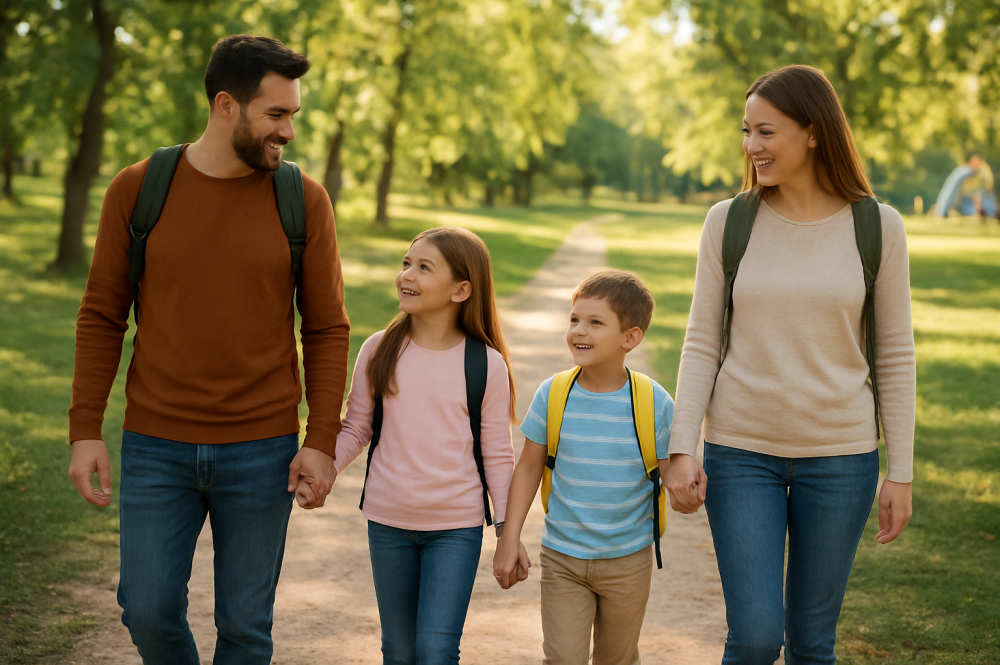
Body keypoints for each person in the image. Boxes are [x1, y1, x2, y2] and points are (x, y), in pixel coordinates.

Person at [66, 35, 350, 664]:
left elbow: (327, 328)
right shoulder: (139, 190)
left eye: (293, 115)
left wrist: (321, 439)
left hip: (262, 450)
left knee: (246, 629)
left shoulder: (303, 201)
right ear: (227, 105)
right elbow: (102, 317)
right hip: (155, 448)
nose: (289, 131)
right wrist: (85, 428)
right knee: (146, 610)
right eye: (276, 115)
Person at [666, 64, 916, 664]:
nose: (752, 147)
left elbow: (895, 355)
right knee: (752, 638)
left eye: (766, 132)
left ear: (812, 132)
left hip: (841, 458)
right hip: (741, 452)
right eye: (747, 132)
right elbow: (702, 340)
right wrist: (682, 449)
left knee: (811, 644)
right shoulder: (730, 222)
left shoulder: (876, 226)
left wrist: (900, 471)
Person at [333, 226, 518, 664]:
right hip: (388, 521)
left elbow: (498, 454)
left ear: (461, 290)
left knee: (435, 650)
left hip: (456, 529)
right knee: (398, 651)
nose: (406, 276)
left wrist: (508, 534)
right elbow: (357, 428)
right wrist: (324, 470)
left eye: (423, 267)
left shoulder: (486, 364)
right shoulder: (378, 349)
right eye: (405, 263)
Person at [494, 269, 674, 665]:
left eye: (595, 323)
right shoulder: (553, 393)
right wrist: (508, 538)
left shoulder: (654, 403)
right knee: (562, 659)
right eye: (574, 319)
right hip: (563, 557)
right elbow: (527, 470)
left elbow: (671, 471)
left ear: (630, 337)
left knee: (617, 659)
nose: (579, 331)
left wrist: (688, 490)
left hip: (629, 560)